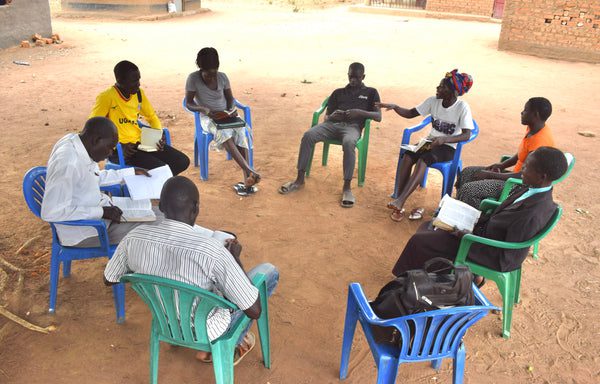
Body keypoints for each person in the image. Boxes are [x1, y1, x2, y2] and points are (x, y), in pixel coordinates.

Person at [103, 176, 279, 365]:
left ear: (161, 206)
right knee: (269, 273)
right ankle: (232, 344)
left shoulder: (134, 238)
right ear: (195, 209)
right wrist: (235, 259)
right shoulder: (212, 250)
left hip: (166, 322)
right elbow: (254, 310)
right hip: (207, 329)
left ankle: (181, 336)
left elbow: (109, 278)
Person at [391, 146, 567, 278]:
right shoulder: (533, 190)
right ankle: (428, 277)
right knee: (429, 226)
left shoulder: (533, 212)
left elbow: (506, 252)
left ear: (542, 176)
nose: (522, 171)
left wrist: (467, 236)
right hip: (485, 235)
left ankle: (406, 280)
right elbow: (502, 220)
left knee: (421, 240)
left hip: (490, 252)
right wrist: (472, 220)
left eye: (527, 167)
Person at [41, 117, 160, 247]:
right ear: (96, 140)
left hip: (101, 217)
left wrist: (130, 172)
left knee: (161, 214)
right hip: (89, 231)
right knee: (160, 228)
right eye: (110, 147)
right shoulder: (68, 163)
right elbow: (51, 212)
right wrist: (102, 212)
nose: (110, 153)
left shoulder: (78, 143)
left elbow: (93, 177)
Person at [278, 62, 382, 208]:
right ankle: (299, 179)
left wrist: (359, 113)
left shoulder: (371, 92)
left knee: (349, 143)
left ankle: (346, 187)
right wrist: (333, 116)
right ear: (348, 75)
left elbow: (378, 116)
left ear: (363, 76)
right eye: (351, 76)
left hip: (352, 128)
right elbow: (326, 117)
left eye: (357, 77)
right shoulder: (338, 92)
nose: (353, 80)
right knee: (308, 135)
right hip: (331, 125)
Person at [377, 69, 474, 222]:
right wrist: (395, 106)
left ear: (454, 92)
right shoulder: (432, 101)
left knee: (424, 160)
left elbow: (467, 134)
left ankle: (400, 200)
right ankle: (399, 202)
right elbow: (410, 113)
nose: (438, 88)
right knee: (408, 156)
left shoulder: (462, 107)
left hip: (447, 148)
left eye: (443, 87)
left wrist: (444, 140)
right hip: (430, 143)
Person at [90, 60, 190, 176]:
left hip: (141, 143)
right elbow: (93, 126)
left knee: (182, 161)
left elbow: (151, 116)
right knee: (162, 170)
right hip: (122, 150)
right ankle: (161, 184)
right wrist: (116, 146)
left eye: (139, 79)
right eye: (134, 81)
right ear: (120, 80)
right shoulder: (106, 97)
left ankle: (161, 183)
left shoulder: (138, 94)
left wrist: (158, 134)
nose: (138, 84)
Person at [185, 47, 260, 196]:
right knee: (224, 132)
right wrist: (203, 109)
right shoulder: (193, 79)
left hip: (226, 115)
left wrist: (231, 109)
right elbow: (188, 103)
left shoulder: (223, 77)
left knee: (241, 132)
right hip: (207, 118)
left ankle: (247, 179)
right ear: (200, 68)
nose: (212, 78)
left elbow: (230, 99)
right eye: (208, 75)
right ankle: (249, 170)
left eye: (214, 74)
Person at [455, 97, 555, 208]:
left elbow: (523, 176)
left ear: (535, 115)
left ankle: (477, 216)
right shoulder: (533, 128)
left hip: (517, 185)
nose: (522, 112)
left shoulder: (540, 141)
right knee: (468, 172)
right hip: (514, 176)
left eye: (526, 110)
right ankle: (458, 206)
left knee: (469, 190)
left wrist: (492, 175)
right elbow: (521, 154)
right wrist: (502, 165)